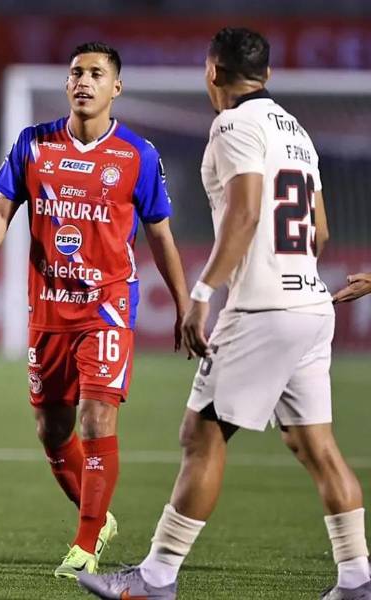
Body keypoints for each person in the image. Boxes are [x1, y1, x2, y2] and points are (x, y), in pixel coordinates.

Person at [79, 28, 370, 600]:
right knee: (316, 446)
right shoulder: (297, 131)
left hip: (262, 309)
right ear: (265, 75)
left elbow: (244, 212)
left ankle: (157, 577)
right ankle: (358, 576)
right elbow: (323, 230)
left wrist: (204, 293)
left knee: (201, 434)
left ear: (213, 72)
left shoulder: (234, 125)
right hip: (311, 303)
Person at [0, 42, 189, 579]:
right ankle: (97, 515)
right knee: (50, 429)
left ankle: (84, 545)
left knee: (96, 416)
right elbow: (0, 212)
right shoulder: (34, 145)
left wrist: (183, 304)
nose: (84, 81)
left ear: (116, 88)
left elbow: (161, 235)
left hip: (107, 307)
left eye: (96, 74)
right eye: (76, 72)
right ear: (66, 84)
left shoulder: (137, 154)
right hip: (49, 308)